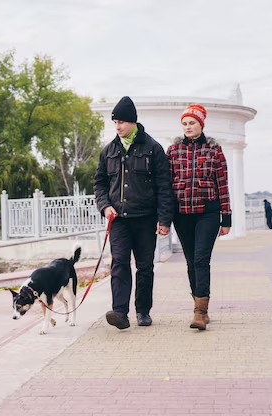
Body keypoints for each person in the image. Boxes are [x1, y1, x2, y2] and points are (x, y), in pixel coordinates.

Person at [94, 96, 175, 329]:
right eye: (115, 122)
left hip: (145, 218)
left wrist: (164, 219)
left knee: (144, 266)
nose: (117, 127)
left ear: (133, 122)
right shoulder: (108, 150)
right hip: (118, 219)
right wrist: (104, 205)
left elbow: (163, 186)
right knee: (119, 262)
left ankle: (143, 311)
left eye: (121, 122)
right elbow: (99, 183)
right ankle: (119, 312)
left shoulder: (153, 148)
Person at [167, 104, 231, 331]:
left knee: (201, 259)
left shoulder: (214, 150)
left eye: (192, 123)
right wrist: (165, 217)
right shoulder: (173, 150)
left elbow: (222, 184)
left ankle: (200, 312)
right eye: (184, 123)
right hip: (182, 214)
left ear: (201, 124)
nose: (187, 127)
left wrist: (226, 218)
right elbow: (166, 186)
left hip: (208, 213)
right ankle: (199, 303)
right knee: (191, 261)